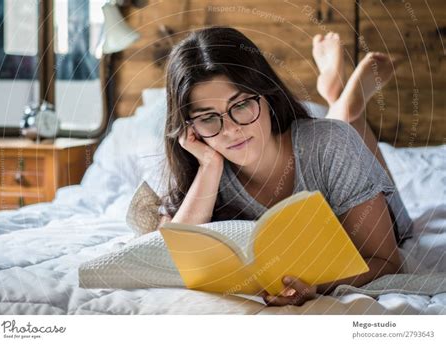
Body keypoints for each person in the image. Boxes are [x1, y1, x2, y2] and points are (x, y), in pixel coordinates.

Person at [159, 27, 413, 307]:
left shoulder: (331, 145)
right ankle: (338, 98)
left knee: (341, 133)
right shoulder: (202, 163)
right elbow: (173, 259)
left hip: (341, 155)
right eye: (207, 117)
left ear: (266, 95)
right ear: (189, 130)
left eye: (241, 104)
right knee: (337, 133)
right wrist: (209, 165)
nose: (230, 131)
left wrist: (318, 286)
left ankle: (345, 106)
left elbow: (387, 261)